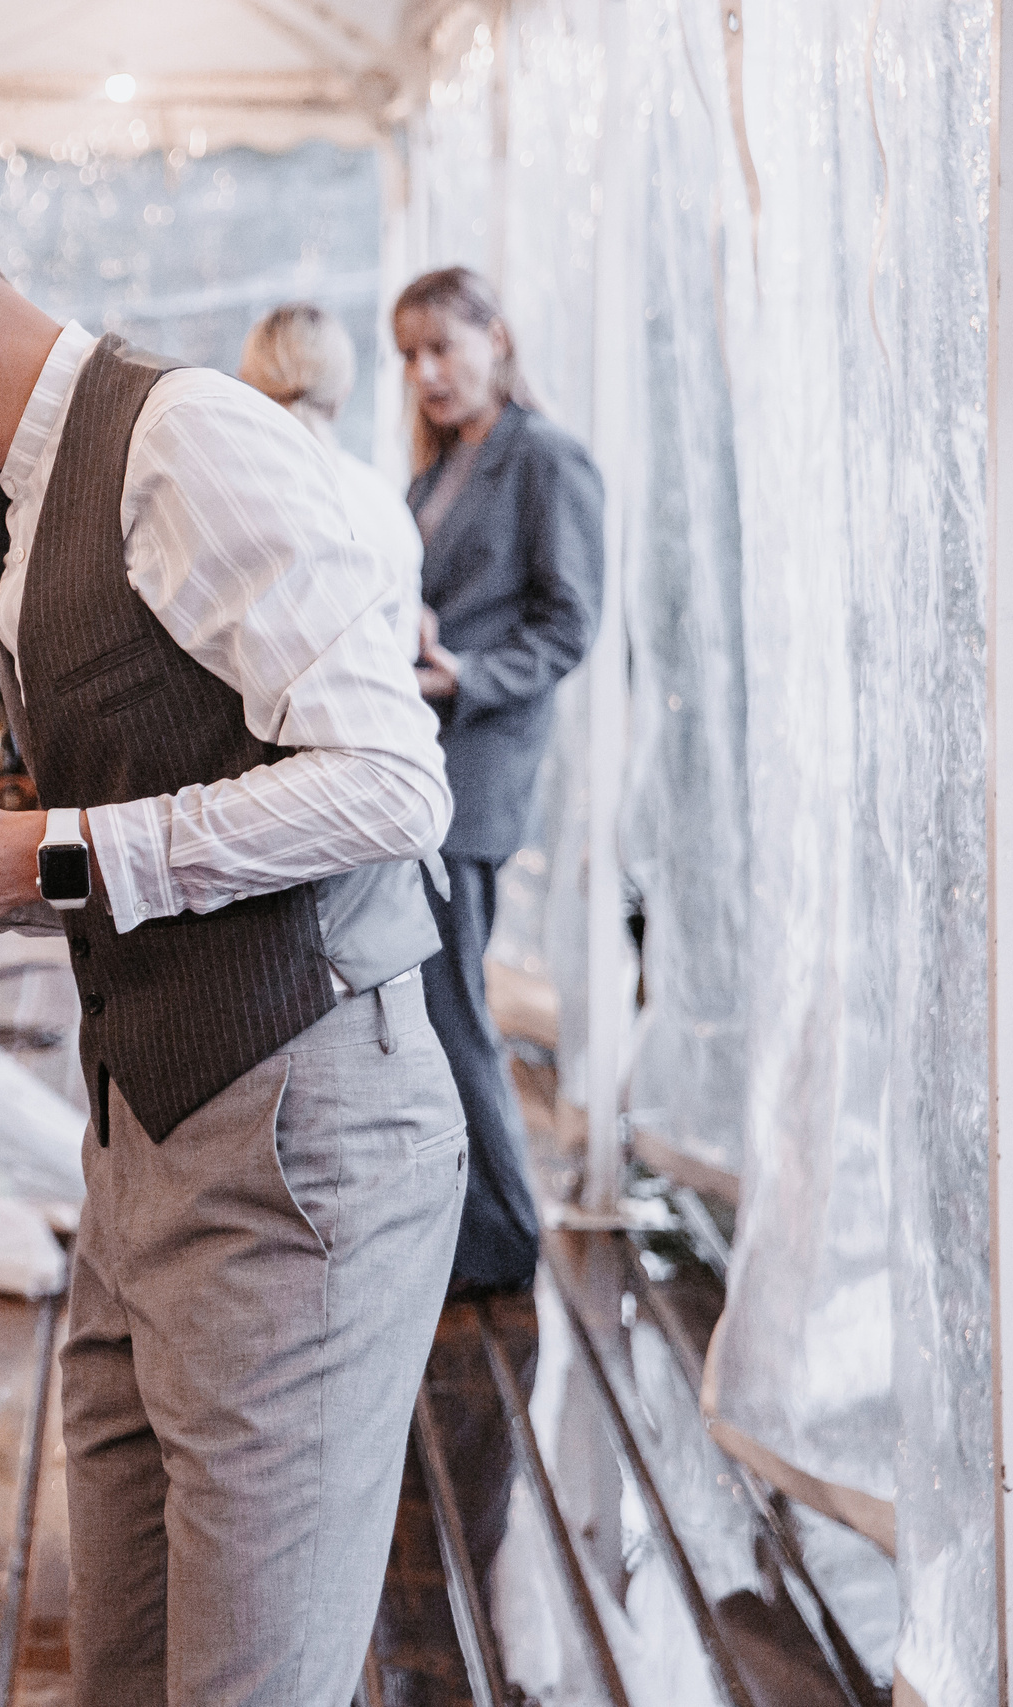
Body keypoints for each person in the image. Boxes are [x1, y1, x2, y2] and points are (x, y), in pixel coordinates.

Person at [0, 124, 469, 1707]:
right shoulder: (29, 496)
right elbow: (126, 830)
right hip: (147, 1151)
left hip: (296, 1139)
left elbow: (393, 785)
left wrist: (39, 854)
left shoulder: (186, 438)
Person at [391, 266, 604, 1292]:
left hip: (475, 762)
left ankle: (502, 1237)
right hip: (423, 758)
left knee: (452, 1001)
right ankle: (465, 1226)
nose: (426, 372)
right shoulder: (441, 466)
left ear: (498, 338)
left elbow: (569, 626)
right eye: (409, 355)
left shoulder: (545, 457)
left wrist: (464, 673)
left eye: (443, 346)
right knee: (434, 996)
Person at [240, 302, 425, 656]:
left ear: (244, 383)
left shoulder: (228, 498)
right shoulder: (383, 501)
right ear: (343, 393)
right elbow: (404, 644)